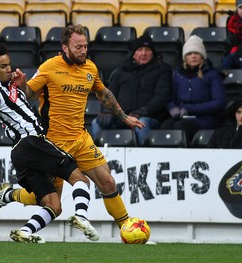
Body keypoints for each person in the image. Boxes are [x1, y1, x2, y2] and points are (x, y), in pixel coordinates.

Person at [0, 42, 99, 243]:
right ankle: (82, 216)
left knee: (53, 205)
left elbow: (23, 105)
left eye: (9, 64)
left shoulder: (11, 84)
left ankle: (23, 229)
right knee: (79, 178)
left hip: (22, 153)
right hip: (31, 143)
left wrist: (23, 85)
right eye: (3, 67)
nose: (9, 69)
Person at [8, 24, 144, 228]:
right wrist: (21, 85)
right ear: (65, 47)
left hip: (80, 139)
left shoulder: (90, 68)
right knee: (49, 199)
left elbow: (103, 93)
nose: (83, 51)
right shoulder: (49, 67)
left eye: (85, 46)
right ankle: (9, 194)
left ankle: (127, 228)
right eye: (78, 47)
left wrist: (124, 117)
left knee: (107, 182)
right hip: (53, 143)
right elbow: (29, 94)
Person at [90, 35, 173, 146]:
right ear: (133, 54)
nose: (143, 53)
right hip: (122, 117)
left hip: (150, 116)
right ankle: (99, 159)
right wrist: (109, 111)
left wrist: (140, 112)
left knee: (141, 123)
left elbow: (162, 97)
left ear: (153, 53)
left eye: (147, 50)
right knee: (97, 122)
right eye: (139, 50)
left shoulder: (163, 69)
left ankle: (144, 159)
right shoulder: (120, 71)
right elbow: (109, 95)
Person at [160, 35, 226, 142]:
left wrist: (190, 109)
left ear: (202, 56)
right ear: (185, 57)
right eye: (190, 54)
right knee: (165, 126)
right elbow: (170, 99)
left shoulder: (212, 74)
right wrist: (172, 108)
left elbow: (219, 102)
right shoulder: (177, 74)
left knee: (181, 127)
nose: (193, 56)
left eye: (197, 53)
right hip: (181, 117)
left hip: (205, 119)